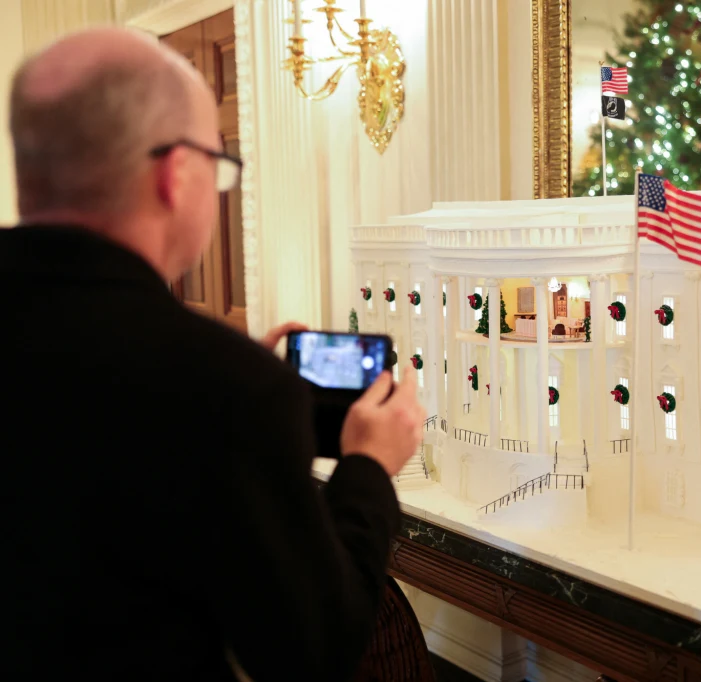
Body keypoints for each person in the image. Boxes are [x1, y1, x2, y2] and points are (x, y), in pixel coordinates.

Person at [0, 27, 423, 681]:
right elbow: (310, 650)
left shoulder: (220, 383)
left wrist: (238, 393)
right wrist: (368, 467)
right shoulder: (222, 386)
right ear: (176, 174)